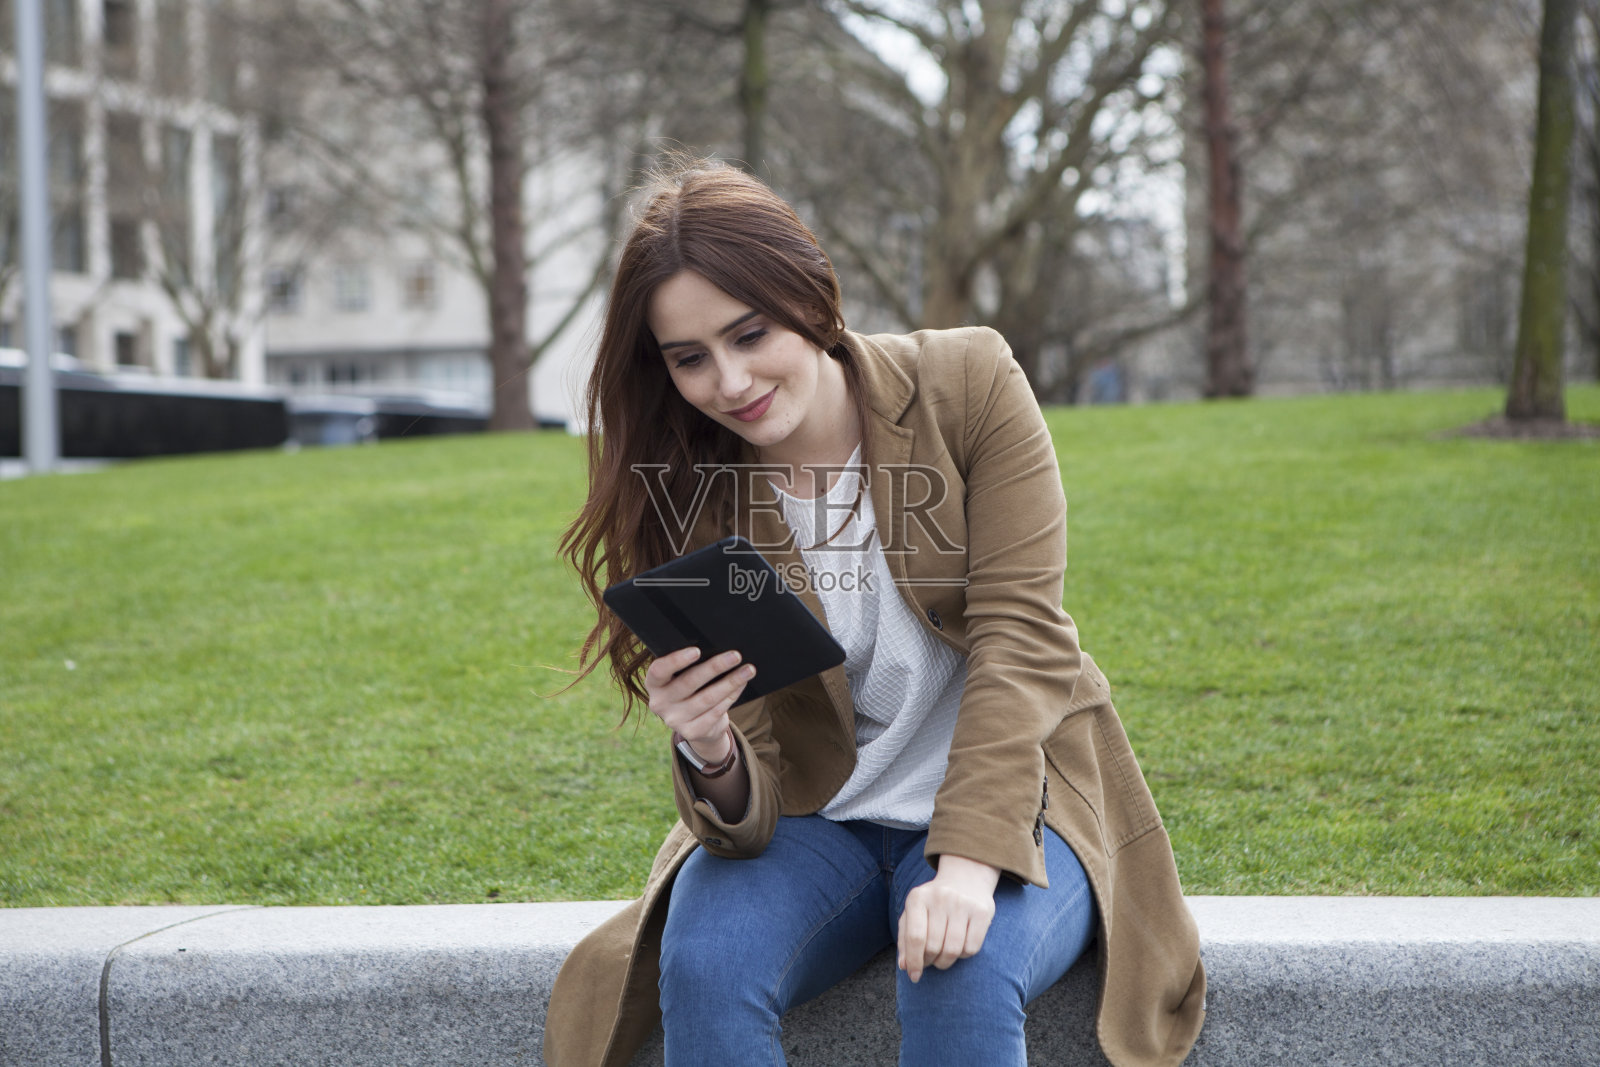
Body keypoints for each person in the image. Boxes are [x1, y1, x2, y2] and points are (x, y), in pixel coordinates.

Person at [548, 158, 1204, 1067]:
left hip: (1018, 797)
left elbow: (1023, 634)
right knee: (703, 963)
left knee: (959, 971)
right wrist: (708, 745)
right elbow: (753, 800)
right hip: (820, 822)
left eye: (751, 333)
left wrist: (970, 864)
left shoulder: (965, 385)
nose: (730, 381)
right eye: (690, 358)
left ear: (811, 297)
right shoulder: (692, 493)